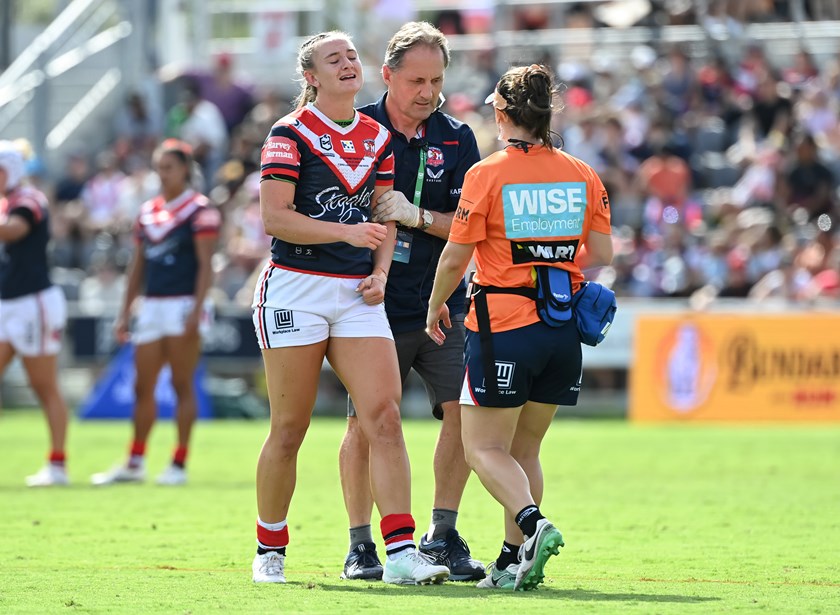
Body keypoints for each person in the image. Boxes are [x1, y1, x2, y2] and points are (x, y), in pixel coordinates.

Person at [249, 31, 449, 586]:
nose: (347, 64)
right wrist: (347, 232)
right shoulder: (288, 133)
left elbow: (384, 216)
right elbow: (275, 218)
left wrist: (381, 272)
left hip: (356, 293)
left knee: (384, 416)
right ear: (311, 77)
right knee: (290, 428)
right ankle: (269, 548)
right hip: (295, 289)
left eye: (353, 56)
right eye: (333, 58)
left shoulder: (376, 136)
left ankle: (401, 552)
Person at [425, 64, 614, 591]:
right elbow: (601, 252)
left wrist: (434, 305)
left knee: (482, 449)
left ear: (503, 112)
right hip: (562, 329)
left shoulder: (487, 173)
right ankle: (511, 560)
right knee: (525, 450)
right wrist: (548, 254)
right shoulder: (582, 172)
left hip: (503, 326)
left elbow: (454, 257)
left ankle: (533, 525)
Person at [337, 21, 484, 582]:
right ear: (387, 75)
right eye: (417, 81)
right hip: (370, 304)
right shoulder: (355, 130)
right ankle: (361, 545)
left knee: (465, 415)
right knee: (365, 424)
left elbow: (470, 227)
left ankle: (441, 535)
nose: (428, 92)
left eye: (437, 81)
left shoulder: (457, 137)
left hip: (442, 303)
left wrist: (415, 215)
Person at [91, 139, 220, 487]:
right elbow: (137, 266)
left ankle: (179, 462)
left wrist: (197, 308)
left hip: (183, 303)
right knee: (142, 385)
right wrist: (125, 311)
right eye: (158, 167)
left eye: (168, 167)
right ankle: (135, 461)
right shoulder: (147, 211)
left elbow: (206, 265)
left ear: (185, 169)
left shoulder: (200, 210)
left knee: (181, 384)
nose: (162, 174)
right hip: (152, 305)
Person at [0, 141, 71, 487]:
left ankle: (57, 464)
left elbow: (15, 229)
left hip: (33, 302)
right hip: (7, 302)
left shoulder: (29, 199)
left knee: (43, 385)